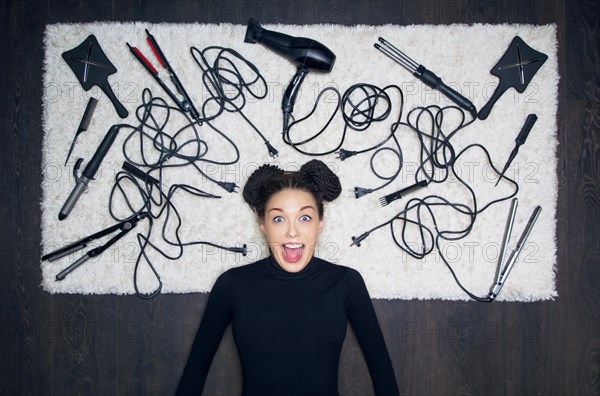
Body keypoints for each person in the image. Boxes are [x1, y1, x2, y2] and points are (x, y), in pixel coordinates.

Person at [176, 159, 399, 396]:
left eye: (304, 218)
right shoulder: (232, 284)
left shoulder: (347, 282)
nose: (292, 231)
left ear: (320, 224)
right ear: (263, 225)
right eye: (279, 219)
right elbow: (196, 371)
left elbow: (381, 368)